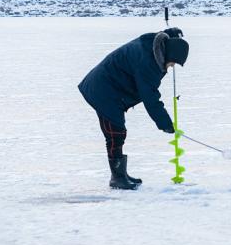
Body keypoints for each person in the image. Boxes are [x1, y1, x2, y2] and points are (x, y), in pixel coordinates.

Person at [78, 28, 189, 190]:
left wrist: (170, 33)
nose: (171, 67)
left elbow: (162, 37)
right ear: (168, 55)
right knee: (116, 133)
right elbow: (150, 97)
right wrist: (165, 123)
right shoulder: (148, 64)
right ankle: (117, 178)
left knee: (117, 132)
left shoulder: (155, 44)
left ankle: (121, 174)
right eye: (173, 63)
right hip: (103, 90)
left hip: (112, 87)